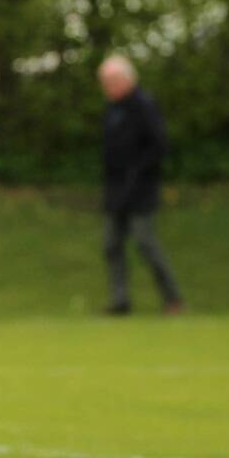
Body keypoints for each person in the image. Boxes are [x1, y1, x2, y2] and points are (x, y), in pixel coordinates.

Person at [97, 55, 184, 315]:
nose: (107, 87)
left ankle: (173, 298)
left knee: (145, 242)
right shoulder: (113, 110)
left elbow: (159, 145)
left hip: (140, 189)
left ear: (127, 79)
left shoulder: (144, 105)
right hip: (115, 189)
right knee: (111, 244)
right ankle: (120, 301)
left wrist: (137, 174)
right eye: (104, 82)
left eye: (111, 81)